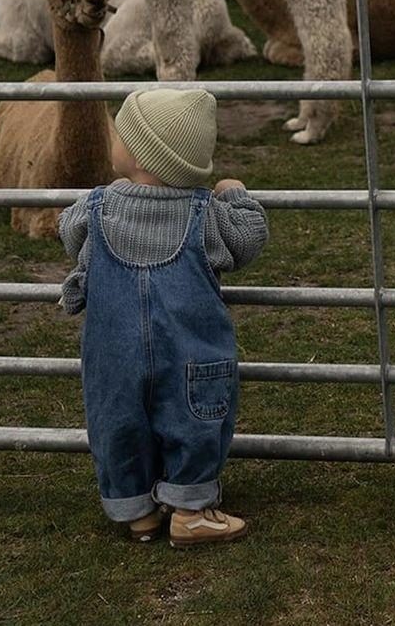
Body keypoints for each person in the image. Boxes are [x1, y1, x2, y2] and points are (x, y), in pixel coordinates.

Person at [59, 87, 268, 547]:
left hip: (113, 353)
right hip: (190, 352)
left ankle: (137, 513)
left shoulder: (98, 208)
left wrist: (109, 196)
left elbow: (68, 233)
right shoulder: (206, 214)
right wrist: (235, 194)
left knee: (118, 421)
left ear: (140, 154)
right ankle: (190, 509)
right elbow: (249, 238)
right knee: (194, 417)